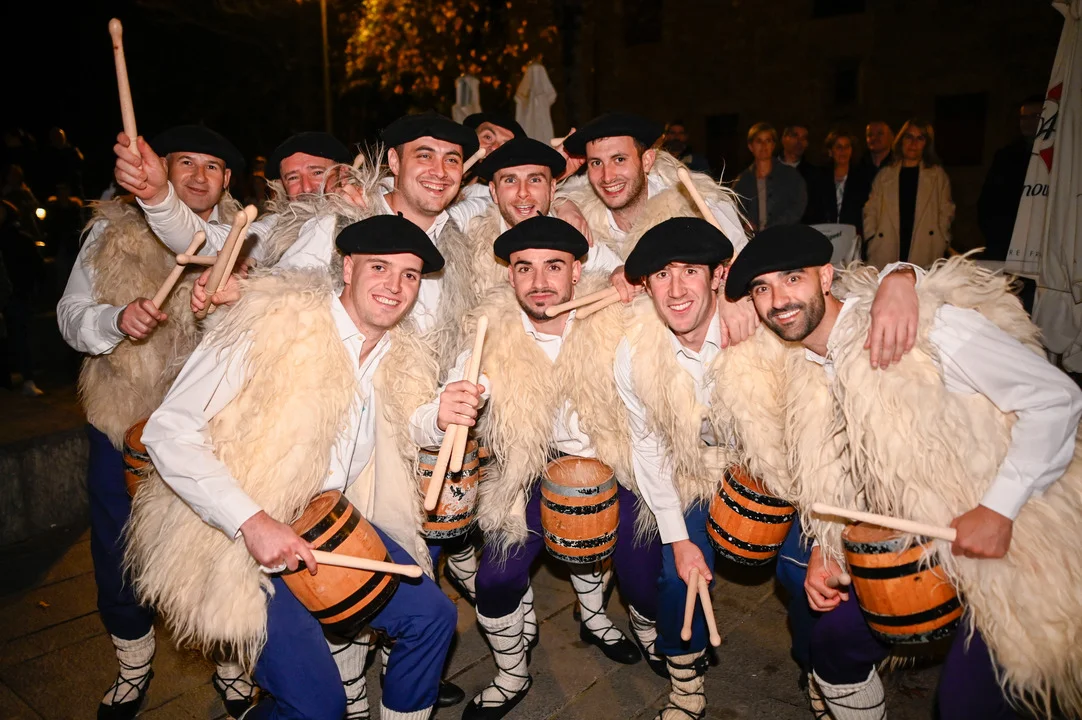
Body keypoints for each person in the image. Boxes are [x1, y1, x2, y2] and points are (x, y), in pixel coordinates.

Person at [727, 224, 1082, 720]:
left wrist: (998, 508)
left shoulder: (924, 326)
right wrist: (830, 547)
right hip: (916, 548)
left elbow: (1056, 398)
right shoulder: (805, 370)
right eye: (762, 288)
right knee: (831, 647)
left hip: (1013, 542)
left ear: (825, 277)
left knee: (965, 704)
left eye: (792, 278)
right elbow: (847, 474)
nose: (778, 300)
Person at [128, 215, 456, 720]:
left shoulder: (399, 352)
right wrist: (251, 520)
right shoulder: (270, 324)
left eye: (409, 274)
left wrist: (439, 417)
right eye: (380, 267)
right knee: (317, 709)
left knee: (433, 617)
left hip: (330, 526)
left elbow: (404, 423)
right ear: (348, 268)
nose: (395, 286)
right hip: (237, 538)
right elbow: (168, 430)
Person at [412, 216, 652, 719]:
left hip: (616, 465)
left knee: (641, 576)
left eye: (554, 267)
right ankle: (512, 675)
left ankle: (609, 623)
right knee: (496, 580)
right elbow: (457, 391)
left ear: (577, 270)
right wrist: (447, 408)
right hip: (530, 469)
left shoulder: (617, 317)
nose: (540, 281)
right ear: (510, 274)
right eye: (525, 268)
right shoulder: (490, 333)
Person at [56, 124, 258, 720]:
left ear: (228, 179)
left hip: (217, 431)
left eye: (213, 166)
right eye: (185, 162)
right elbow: (69, 316)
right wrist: (115, 320)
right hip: (123, 421)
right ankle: (133, 664)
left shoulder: (248, 235)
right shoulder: (111, 231)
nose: (199, 176)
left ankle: (229, 661)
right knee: (118, 551)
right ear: (162, 168)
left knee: (218, 547)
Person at [613, 217, 795, 719]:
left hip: (778, 471)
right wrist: (678, 539)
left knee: (806, 577)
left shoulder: (761, 327)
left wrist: (902, 277)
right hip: (695, 473)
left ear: (718, 276)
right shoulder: (635, 355)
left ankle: (825, 675)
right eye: (662, 275)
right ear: (646, 285)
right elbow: (648, 448)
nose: (676, 290)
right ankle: (685, 685)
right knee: (678, 577)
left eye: (690, 271)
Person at [864, 118, 955, 268]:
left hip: (925, 246)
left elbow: (946, 210)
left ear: (926, 143)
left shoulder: (938, 176)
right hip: (887, 245)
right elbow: (871, 209)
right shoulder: (884, 175)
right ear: (901, 140)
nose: (913, 143)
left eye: (920, 138)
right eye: (909, 137)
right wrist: (871, 235)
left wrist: (942, 238)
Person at [978, 96, 1045, 262]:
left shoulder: (1055, 157)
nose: (1027, 122)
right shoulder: (1006, 156)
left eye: (1035, 116)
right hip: (1007, 240)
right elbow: (989, 200)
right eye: (1023, 117)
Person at [733, 122, 807, 232]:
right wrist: (745, 223)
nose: (764, 146)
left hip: (784, 236)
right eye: (759, 141)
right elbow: (735, 208)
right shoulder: (742, 181)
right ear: (751, 146)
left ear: (773, 145)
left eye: (768, 141)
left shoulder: (791, 176)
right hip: (753, 239)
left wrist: (775, 227)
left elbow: (798, 206)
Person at [809, 129, 872, 236]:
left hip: (851, 235)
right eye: (839, 147)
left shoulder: (862, 179)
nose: (843, 151)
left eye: (847, 147)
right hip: (823, 234)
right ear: (830, 151)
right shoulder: (818, 178)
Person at [777, 124, 818, 222]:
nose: (799, 142)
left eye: (803, 138)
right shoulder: (769, 169)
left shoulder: (813, 174)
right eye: (795, 136)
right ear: (783, 139)